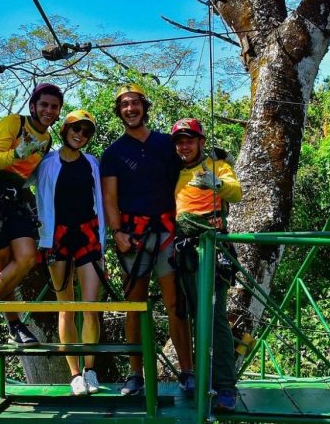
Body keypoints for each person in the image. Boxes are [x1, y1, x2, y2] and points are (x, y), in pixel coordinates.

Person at [100, 83, 195, 396]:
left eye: (135, 103)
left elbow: (189, 170)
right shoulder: (114, 153)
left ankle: (187, 371)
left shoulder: (166, 144)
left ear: (144, 107)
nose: (131, 109)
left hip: (167, 232)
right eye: (125, 105)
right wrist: (117, 233)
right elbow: (109, 198)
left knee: (175, 304)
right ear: (119, 111)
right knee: (134, 306)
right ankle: (135, 374)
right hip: (133, 236)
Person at [0, 83, 63, 347]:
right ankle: (15, 326)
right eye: (44, 105)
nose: (48, 110)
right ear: (33, 106)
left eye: (54, 107)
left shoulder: (46, 140)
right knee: (2, 260)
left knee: (27, 257)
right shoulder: (13, 123)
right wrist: (18, 152)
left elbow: (28, 174)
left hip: (12, 197)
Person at [170, 118, 242, 412]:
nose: (184, 146)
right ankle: (201, 378)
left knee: (214, 317)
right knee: (191, 314)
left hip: (212, 249)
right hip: (185, 252)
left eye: (189, 140)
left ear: (201, 142)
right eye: (179, 142)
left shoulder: (218, 166)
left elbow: (236, 192)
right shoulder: (176, 172)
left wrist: (217, 183)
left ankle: (225, 386)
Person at [36, 109, 106, 396]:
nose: (80, 134)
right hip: (57, 237)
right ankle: (74, 374)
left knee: (91, 307)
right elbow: (20, 178)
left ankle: (90, 370)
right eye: (76, 128)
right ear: (65, 129)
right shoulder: (46, 162)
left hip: (88, 234)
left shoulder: (92, 163)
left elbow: (102, 198)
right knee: (66, 307)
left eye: (86, 131)